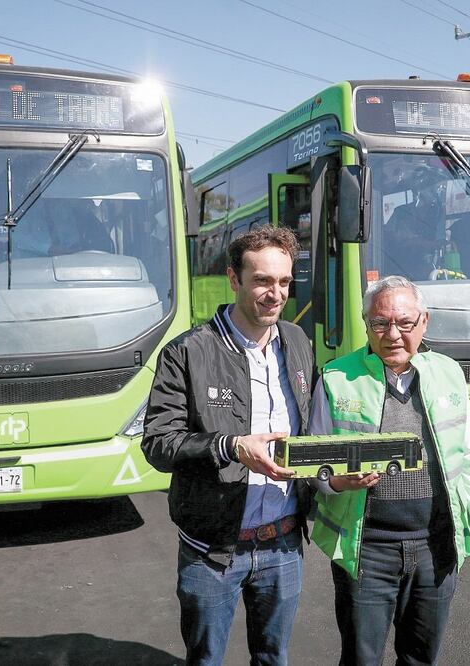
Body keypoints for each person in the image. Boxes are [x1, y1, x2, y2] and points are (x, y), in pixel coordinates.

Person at [142, 226, 315, 665]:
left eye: (283, 282)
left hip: (283, 545)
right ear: (234, 279)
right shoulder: (187, 352)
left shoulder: (297, 342)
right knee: (206, 660)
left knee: (273, 658)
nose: (274, 294)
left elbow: (311, 431)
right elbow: (159, 444)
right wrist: (233, 447)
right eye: (261, 281)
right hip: (212, 551)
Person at [309, 275, 470, 665]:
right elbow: (314, 464)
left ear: (424, 321)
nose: (392, 334)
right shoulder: (337, 377)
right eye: (380, 323)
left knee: (420, 658)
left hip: (436, 547)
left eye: (404, 323)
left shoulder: (448, 373)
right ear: (366, 325)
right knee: (361, 658)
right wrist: (336, 482)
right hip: (366, 550)